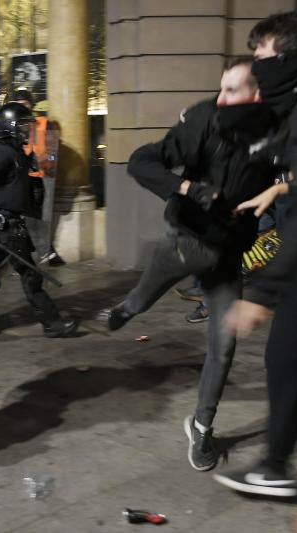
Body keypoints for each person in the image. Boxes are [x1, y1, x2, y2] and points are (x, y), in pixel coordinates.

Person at [105, 57, 276, 471]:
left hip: (227, 257)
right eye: (221, 88)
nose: (222, 98)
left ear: (257, 95)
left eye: (232, 90)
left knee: (225, 345)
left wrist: (280, 189)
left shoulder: (277, 129)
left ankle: (202, 427)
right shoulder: (204, 119)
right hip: (185, 241)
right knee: (143, 299)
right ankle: (127, 307)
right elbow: (142, 162)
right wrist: (187, 187)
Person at [213, 10, 297, 497]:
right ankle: (275, 465)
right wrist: (280, 187)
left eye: (263, 55)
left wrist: (263, 291)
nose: (258, 67)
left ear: (290, 57)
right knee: (286, 358)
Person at [0, 102, 78, 338]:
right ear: (11, 126)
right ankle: (51, 323)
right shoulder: (0, 153)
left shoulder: (15, 152)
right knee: (11, 277)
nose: (28, 131)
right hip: (3, 227)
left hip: (11, 225)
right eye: (24, 126)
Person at [8, 87, 65, 266]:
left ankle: (44, 251)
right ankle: (40, 251)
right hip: (18, 175)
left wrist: (49, 162)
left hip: (40, 176)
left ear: (31, 105)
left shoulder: (43, 123)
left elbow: (53, 150)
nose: (22, 108)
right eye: (18, 104)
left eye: (25, 104)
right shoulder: (10, 126)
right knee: (20, 216)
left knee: (39, 216)